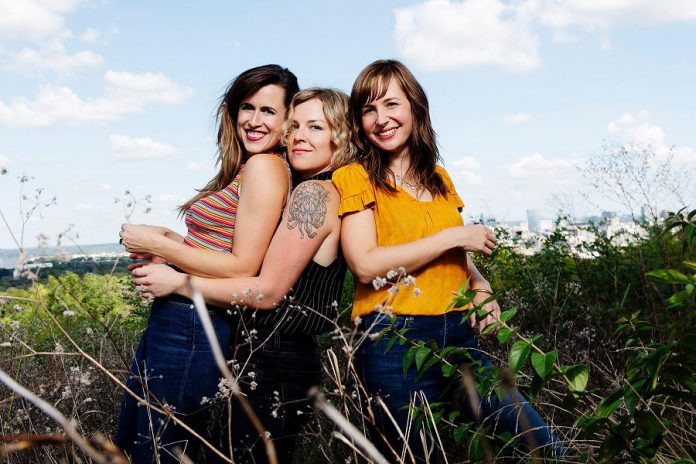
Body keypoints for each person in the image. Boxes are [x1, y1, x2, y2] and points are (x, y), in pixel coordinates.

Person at [332, 59, 566, 462]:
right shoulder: (355, 177)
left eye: (391, 104)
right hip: (391, 340)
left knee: (539, 444)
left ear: (415, 107)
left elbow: (453, 257)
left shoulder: (439, 178)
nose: (381, 118)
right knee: (415, 455)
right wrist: (454, 235)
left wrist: (481, 285)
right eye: (368, 109)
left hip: (459, 334)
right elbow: (366, 266)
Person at [129, 88, 356, 463]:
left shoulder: (314, 195)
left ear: (340, 135)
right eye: (295, 125)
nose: (299, 135)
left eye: (316, 127)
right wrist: (173, 242)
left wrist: (178, 283)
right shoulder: (311, 188)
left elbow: (267, 293)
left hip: (278, 361)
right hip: (261, 354)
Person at [114, 64, 299, 463]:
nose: (253, 120)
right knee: (135, 442)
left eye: (268, 111)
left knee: (160, 448)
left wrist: (159, 248)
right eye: (246, 107)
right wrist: (167, 241)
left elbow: (242, 267)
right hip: (180, 318)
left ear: (288, 120)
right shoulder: (246, 167)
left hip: (193, 323)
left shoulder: (265, 167)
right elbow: (220, 248)